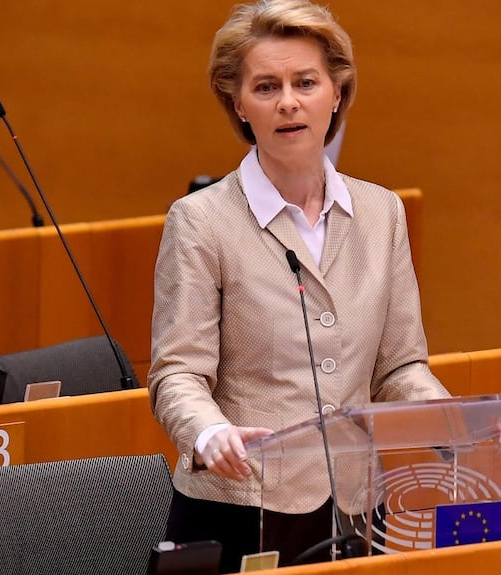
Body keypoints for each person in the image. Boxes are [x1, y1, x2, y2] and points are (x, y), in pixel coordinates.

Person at [148, 1, 450, 571]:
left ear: (336, 93)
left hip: (357, 508)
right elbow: (176, 374)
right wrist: (208, 432)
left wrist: (446, 415)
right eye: (266, 86)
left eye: (305, 82)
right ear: (238, 103)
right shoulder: (201, 222)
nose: (288, 101)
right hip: (241, 507)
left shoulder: (382, 212)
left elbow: (399, 368)